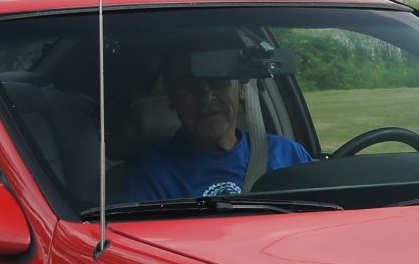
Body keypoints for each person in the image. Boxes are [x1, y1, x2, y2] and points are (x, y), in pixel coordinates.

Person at [121, 49, 311, 201]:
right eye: (188, 86)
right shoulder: (151, 177)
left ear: (242, 89)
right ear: (172, 97)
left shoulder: (288, 154)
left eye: (219, 82)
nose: (206, 97)